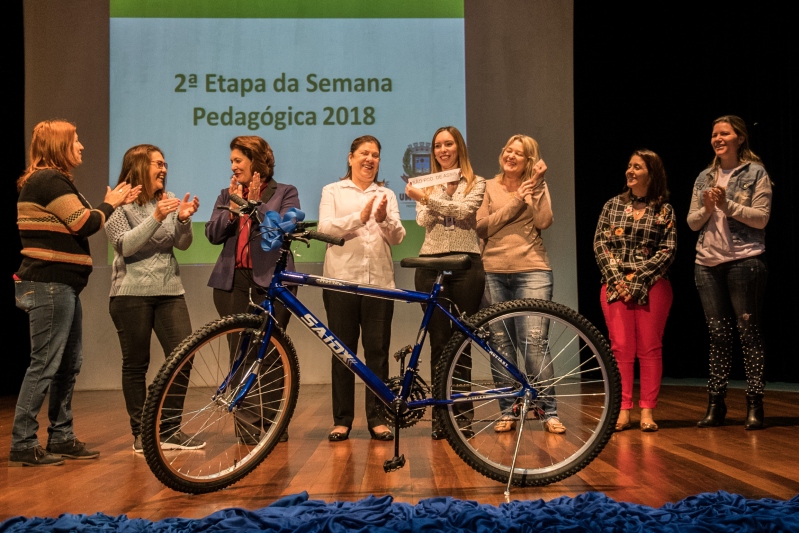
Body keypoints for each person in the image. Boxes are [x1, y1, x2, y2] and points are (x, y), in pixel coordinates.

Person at [11, 119, 139, 466]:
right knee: (46, 364)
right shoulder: (48, 180)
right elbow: (86, 222)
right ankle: (23, 441)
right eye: (76, 140)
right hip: (49, 284)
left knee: (68, 363)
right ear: (58, 146)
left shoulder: (52, 180)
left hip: (61, 285)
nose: (81, 146)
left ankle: (61, 436)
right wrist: (110, 203)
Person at [106, 144, 202, 453]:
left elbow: (182, 245)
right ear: (138, 167)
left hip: (170, 290)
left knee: (183, 356)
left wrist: (183, 220)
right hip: (130, 293)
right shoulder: (118, 202)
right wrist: (157, 218)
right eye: (157, 164)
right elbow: (125, 246)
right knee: (136, 364)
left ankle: (170, 430)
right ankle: (142, 434)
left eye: (164, 163)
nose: (163, 168)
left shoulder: (165, 199)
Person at [206, 135, 299, 443]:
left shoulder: (285, 192)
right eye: (231, 161)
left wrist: (255, 204)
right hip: (232, 282)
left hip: (271, 282)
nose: (232, 167)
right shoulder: (226, 193)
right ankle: (246, 428)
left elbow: (282, 230)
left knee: (272, 352)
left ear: (257, 162)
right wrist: (233, 209)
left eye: (238, 161)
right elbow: (213, 234)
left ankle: (273, 427)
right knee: (239, 354)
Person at [319, 135, 406, 442]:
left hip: (380, 284)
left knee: (378, 353)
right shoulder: (333, 191)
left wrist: (382, 220)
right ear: (350, 157)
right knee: (342, 352)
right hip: (341, 282)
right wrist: (360, 217)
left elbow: (398, 237)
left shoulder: (387, 194)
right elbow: (325, 229)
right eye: (364, 153)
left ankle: (378, 418)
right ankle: (342, 420)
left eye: (376, 155)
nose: (370, 159)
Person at [476, 134, 564, 434]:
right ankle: (508, 410)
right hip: (493, 271)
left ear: (529, 161)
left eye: (519, 154)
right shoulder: (486, 186)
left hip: (533, 270)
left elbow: (544, 221)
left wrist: (536, 186)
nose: (511, 156)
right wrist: (515, 202)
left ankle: (548, 410)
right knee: (500, 345)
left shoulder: (536, 186)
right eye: (508, 151)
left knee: (535, 343)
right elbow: (482, 225)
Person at [688, 116, 771, 430]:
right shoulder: (705, 176)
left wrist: (728, 205)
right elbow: (693, 222)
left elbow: (761, 218)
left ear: (739, 138)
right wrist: (708, 208)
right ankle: (716, 403)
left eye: (724, 133)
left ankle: (754, 404)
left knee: (748, 334)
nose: (717, 138)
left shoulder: (755, 173)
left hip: (744, 262)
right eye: (714, 134)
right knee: (718, 336)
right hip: (707, 264)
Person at [404, 126, 486, 439]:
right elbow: (424, 220)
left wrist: (426, 198)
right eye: (438, 145)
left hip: (466, 264)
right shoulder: (429, 182)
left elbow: (465, 211)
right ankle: (441, 417)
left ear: (458, 147)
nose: (442, 149)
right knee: (438, 343)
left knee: (461, 342)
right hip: (432, 264)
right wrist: (430, 197)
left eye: (448, 144)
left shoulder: (476, 182)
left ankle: (462, 418)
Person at [593, 149, 676, 432]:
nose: (630, 171)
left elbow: (668, 250)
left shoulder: (664, 209)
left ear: (651, 174)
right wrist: (619, 281)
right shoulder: (612, 205)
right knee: (621, 349)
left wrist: (637, 281)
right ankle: (623, 410)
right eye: (629, 166)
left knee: (650, 349)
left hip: (652, 285)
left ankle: (647, 412)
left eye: (637, 167)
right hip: (616, 285)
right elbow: (600, 245)